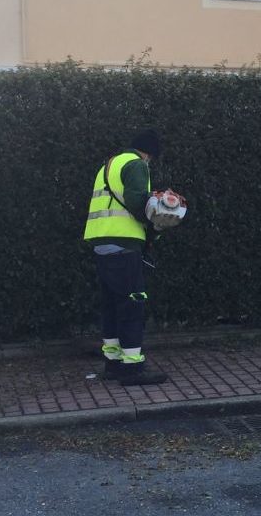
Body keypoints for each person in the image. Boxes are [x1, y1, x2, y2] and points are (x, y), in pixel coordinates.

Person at [83, 129, 169, 386]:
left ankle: (113, 363)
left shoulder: (108, 165)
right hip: (124, 245)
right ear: (149, 154)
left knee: (111, 305)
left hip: (101, 243)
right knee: (133, 303)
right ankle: (133, 367)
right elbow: (137, 202)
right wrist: (159, 220)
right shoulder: (136, 165)